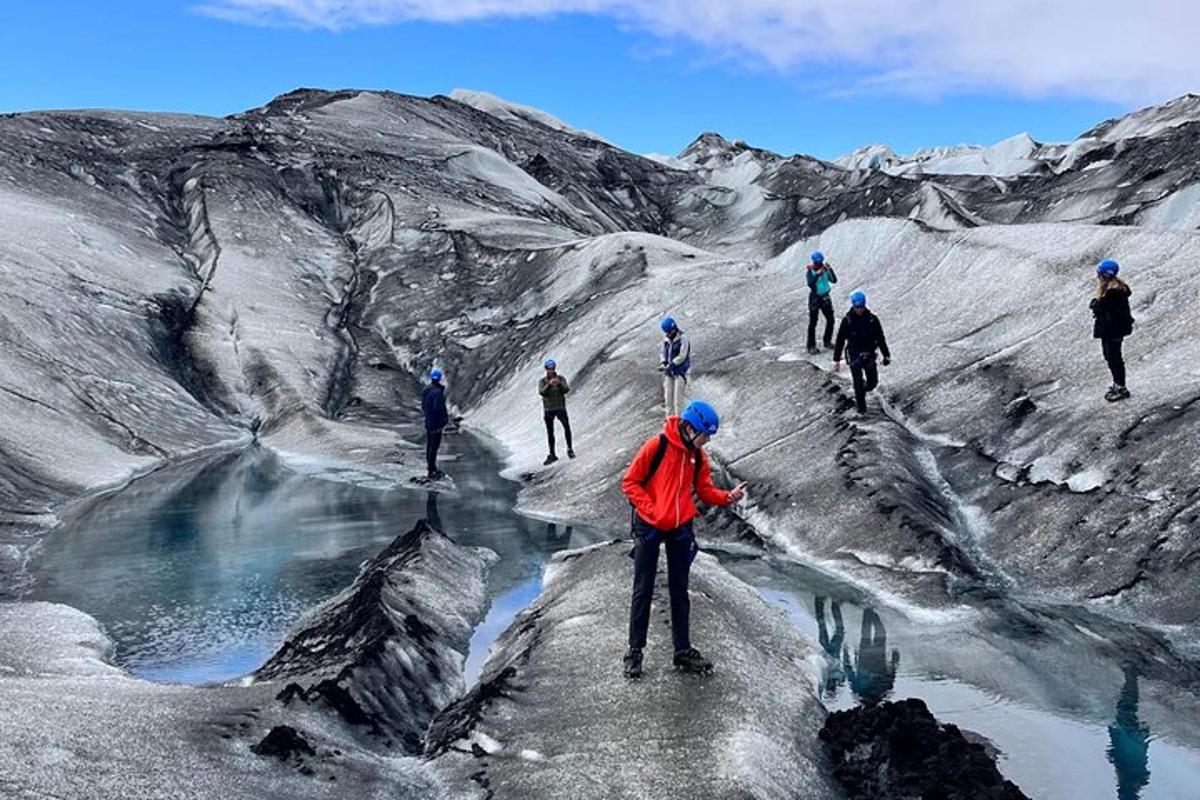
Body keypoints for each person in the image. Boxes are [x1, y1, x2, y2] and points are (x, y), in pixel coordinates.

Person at [621, 400, 747, 677]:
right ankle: (634, 651)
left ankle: (682, 651)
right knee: (643, 588)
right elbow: (630, 482)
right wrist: (653, 510)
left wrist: (728, 497)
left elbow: (704, 490)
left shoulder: (698, 455)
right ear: (690, 428)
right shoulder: (657, 446)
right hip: (649, 527)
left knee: (680, 590)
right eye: (705, 434)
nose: (707, 440)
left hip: (680, 528)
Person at [833, 291, 891, 415]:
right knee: (858, 383)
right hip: (854, 355)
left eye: (861, 307)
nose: (859, 309)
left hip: (869, 354)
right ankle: (862, 410)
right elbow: (840, 340)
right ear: (853, 306)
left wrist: (886, 354)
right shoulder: (847, 320)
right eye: (857, 307)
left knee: (873, 382)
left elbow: (880, 338)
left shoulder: (872, 319)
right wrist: (836, 360)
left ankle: (864, 389)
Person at [1091, 259, 1134, 402]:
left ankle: (1120, 387)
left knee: (1114, 358)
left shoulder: (1113, 293)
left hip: (1113, 330)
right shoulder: (1114, 290)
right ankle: (1118, 384)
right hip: (1112, 329)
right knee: (1111, 357)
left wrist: (1096, 305)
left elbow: (1103, 309)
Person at [539, 358, 575, 465]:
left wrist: (559, 384)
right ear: (546, 369)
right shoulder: (542, 381)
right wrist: (549, 384)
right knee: (550, 432)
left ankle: (570, 449)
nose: (551, 370)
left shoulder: (561, 378)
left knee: (566, 427)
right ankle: (552, 454)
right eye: (549, 368)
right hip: (548, 409)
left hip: (560, 408)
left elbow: (566, 390)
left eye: (552, 368)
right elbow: (542, 392)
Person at [805, 251, 839, 354]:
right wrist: (818, 275)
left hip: (825, 297)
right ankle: (811, 345)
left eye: (820, 262)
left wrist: (830, 269)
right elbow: (810, 284)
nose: (819, 264)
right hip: (815, 298)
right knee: (813, 322)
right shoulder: (810, 272)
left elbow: (834, 280)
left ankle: (827, 341)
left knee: (830, 319)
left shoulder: (825, 270)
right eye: (817, 263)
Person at [659, 317, 690, 418]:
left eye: (670, 332)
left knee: (678, 401)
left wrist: (672, 364)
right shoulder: (666, 340)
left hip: (679, 372)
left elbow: (682, 355)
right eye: (667, 332)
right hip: (669, 373)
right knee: (668, 399)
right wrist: (663, 362)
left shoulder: (683, 338)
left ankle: (678, 423)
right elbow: (662, 352)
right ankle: (669, 422)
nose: (669, 334)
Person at [421, 368, 449, 479]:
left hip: (428, 421)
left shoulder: (426, 390)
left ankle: (431, 467)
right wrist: (444, 419)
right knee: (434, 446)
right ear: (440, 378)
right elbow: (439, 408)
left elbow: (423, 406)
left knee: (429, 445)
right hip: (436, 423)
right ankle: (432, 469)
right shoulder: (438, 393)